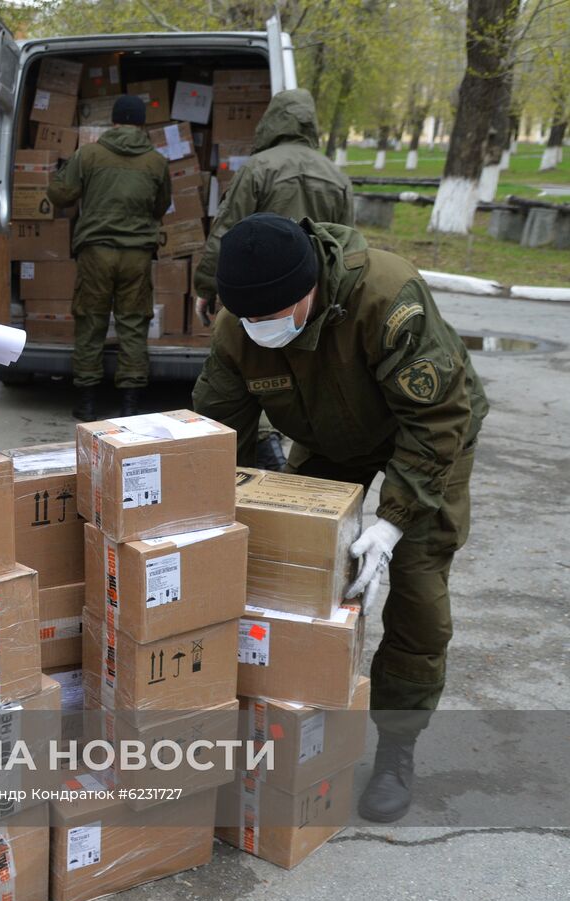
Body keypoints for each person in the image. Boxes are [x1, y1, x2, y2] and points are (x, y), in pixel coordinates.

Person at [192, 213, 487, 823]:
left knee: (418, 592)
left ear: (309, 292)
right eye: (249, 319)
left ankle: (397, 747)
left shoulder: (386, 296)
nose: (259, 330)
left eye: (272, 317)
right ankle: (286, 725)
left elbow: (436, 422)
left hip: (429, 434)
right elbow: (217, 432)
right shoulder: (241, 328)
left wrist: (392, 522)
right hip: (329, 440)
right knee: (292, 568)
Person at [192, 88, 354, 470]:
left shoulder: (258, 167)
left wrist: (206, 287)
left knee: (252, 368)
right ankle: (296, 456)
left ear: (272, 121)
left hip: (260, 293)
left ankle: (259, 450)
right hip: (313, 300)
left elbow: (227, 234)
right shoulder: (336, 174)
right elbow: (345, 242)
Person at [46, 94, 170, 421]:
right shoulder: (156, 162)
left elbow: (60, 194)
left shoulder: (88, 155)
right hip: (137, 256)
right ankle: (130, 402)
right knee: (133, 324)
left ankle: (86, 402)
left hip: (96, 252)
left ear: (113, 121)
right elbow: (161, 207)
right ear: (142, 123)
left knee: (91, 321)